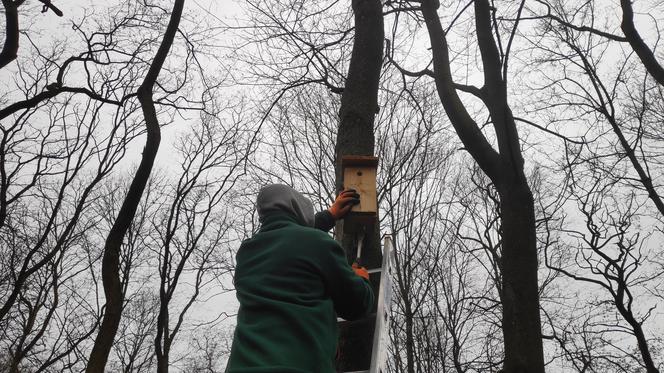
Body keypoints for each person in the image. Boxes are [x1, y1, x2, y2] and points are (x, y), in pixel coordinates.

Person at [225, 184, 374, 373]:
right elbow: (356, 305)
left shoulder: (247, 252)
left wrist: (329, 216)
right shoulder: (317, 244)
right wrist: (362, 281)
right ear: (298, 208)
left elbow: (286, 241)